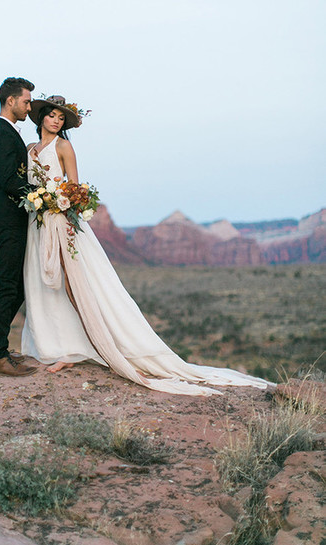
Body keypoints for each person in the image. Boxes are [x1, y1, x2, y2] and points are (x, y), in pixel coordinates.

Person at [21, 95, 272, 396]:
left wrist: (56, 199)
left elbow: (75, 187)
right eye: (52, 116)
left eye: (61, 119)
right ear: (41, 118)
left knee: (74, 281)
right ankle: (55, 344)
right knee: (45, 282)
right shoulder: (28, 149)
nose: (56, 122)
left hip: (61, 221)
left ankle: (83, 347)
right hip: (38, 224)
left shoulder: (63, 146)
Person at [0, 77, 38, 376]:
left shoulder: (7, 132)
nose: (29, 106)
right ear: (11, 101)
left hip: (11, 218)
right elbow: (8, 181)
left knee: (18, 286)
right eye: (26, 101)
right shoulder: (1, 134)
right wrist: (42, 198)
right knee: (7, 286)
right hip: (7, 219)